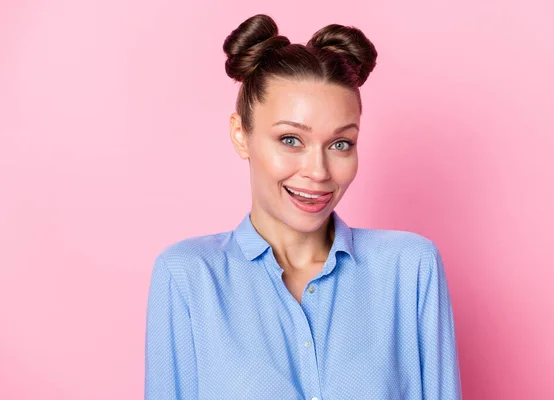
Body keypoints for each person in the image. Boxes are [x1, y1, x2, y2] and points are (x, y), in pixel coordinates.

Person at [144, 13, 462, 400]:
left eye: (340, 144)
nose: (318, 171)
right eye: (291, 139)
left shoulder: (409, 268)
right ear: (241, 135)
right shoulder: (189, 276)